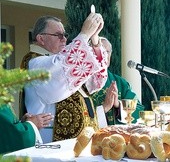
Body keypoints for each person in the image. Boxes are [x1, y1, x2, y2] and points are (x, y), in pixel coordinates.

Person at [20, 13, 108, 143]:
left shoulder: (61, 62)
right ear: (41, 38)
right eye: (58, 35)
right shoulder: (34, 62)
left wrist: (95, 41)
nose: (64, 39)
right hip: (51, 143)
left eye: (65, 35)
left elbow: (95, 81)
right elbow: (61, 67)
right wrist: (84, 35)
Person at [91, 37, 144, 125]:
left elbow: (139, 111)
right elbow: (79, 119)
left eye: (107, 52)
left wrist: (119, 105)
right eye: (101, 51)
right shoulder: (80, 84)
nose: (104, 55)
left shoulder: (120, 83)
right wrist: (104, 108)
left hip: (119, 136)